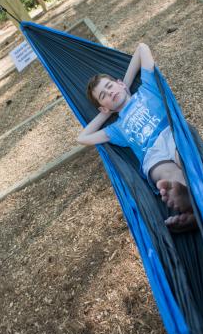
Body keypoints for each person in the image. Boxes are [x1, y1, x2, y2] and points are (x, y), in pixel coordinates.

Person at [77, 42, 196, 232]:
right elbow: (82, 138)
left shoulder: (147, 90)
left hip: (170, 134)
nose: (109, 92)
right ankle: (185, 198)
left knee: (183, 155)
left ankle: (189, 201)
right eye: (103, 95)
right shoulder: (116, 129)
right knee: (165, 174)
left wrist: (124, 86)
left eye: (110, 86)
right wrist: (106, 113)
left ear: (121, 83)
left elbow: (141, 48)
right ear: (104, 107)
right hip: (152, 156)